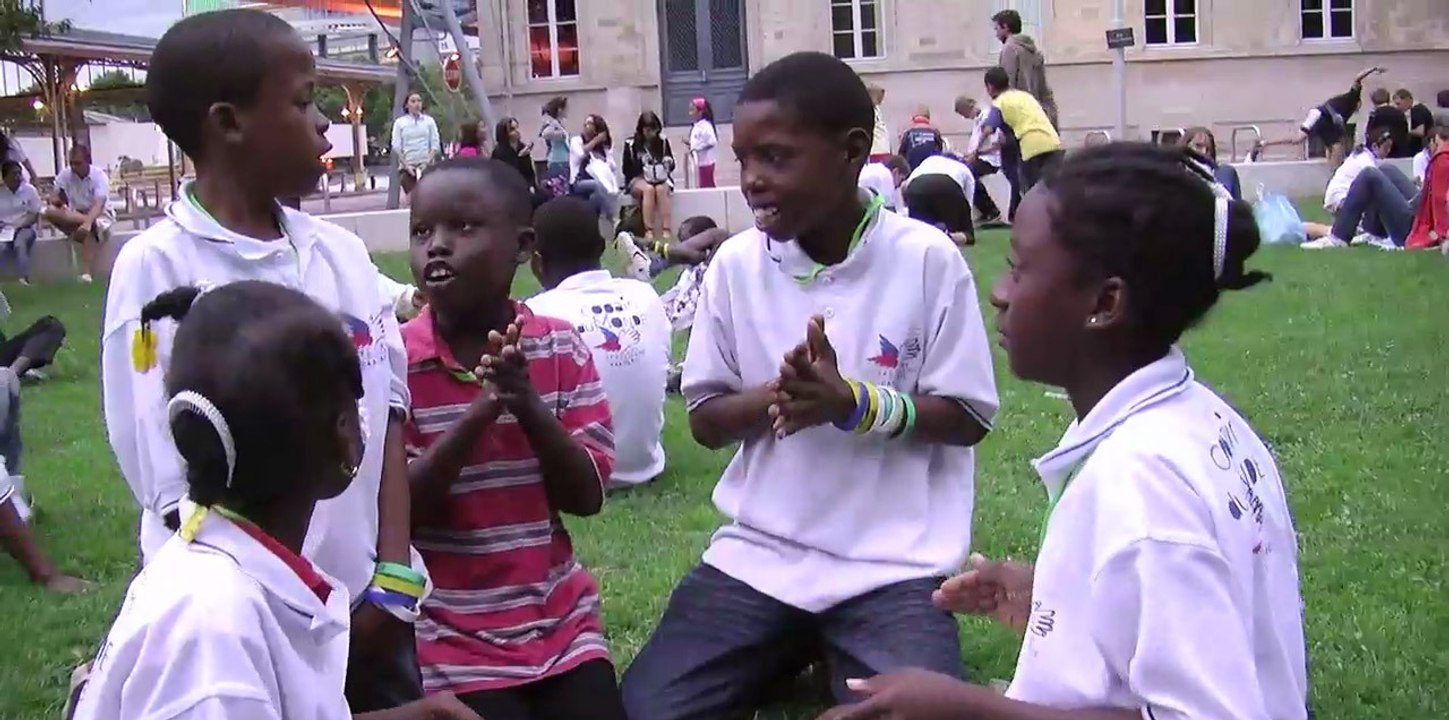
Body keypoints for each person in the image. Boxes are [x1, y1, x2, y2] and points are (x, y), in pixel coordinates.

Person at [817, 141, 1308, 720]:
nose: (998, 293)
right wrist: (1062, 595)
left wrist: (974, 712)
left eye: (1019, 270)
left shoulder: (1143, 487)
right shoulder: (1203, 417)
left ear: (1104, 303)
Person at [619, 51, 999, 720]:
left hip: (891, 567)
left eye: (777, 158)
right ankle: (793, 647)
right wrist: (780, 395)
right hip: (761, 557)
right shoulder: (736, 264)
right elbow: (705, 419)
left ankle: (818, 649)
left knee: (926, 713)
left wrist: (856, 404)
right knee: (649, 710)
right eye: (744, 159)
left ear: (852, 151)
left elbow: (966, 414)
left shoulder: (924, 260)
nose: (753, 181)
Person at [105, 9, 425, 712]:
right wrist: (283, 610)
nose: (324, 126)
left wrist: (392, 580)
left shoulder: (339, 255)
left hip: (368, 611)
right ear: (228, 124)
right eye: (304, 100)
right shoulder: (154, 270)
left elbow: (390, 413)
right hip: (249, 629)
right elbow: (170, 479)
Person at [74, 281, 477, 720]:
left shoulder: (218, 569)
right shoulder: (216, 632)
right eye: (355, 405)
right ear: (344, 435)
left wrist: (422, 716)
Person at [401, 159, 624, 720]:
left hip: (560, 626)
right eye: (422, 232)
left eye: (464, 228)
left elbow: (588, 496)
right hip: (449, 635)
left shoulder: (560, 348)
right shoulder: (395, 360)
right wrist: (482, 411)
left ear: (523, 246)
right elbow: (400, 507)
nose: (438, 248)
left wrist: (525, 403)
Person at [527, 196, 670, 489]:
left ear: (536, 261)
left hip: (579, 477)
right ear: (602, 247)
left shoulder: (535, 314)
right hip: (645, 465)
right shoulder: (644, 296)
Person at [1260, 66, 1384, 166]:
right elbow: (1357, 78)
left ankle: (1265, 142)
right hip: (1322, 115)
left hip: (1320, 116)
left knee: (1299, 139)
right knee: (1335, 147)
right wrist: (1373, 69)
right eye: (1359, 106)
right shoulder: (1352, 98)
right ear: (1358, 103)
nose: (1358, 109)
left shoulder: (1345, 115)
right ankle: (1334, 173)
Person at [983, 66, 1063, 200]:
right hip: (1053, 142)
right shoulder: (1026, 96)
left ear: (990, 87)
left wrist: (974, 151)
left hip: (1032, 149)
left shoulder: (999, 102)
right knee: (1055, 189)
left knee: (1033, 194)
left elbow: (988, 129)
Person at [42, 144, 114, 283]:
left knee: (85, 229)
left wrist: (87, 222)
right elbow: (53, 196)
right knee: (49, 211)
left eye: (78, 163)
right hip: (75, 214)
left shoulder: (99, 176)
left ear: (87, 161)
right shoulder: (65, 174)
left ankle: (86, 273)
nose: (74, 167)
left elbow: (99, 204)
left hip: (100, 215)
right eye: (71, 163)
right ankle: (85, 224)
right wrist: (56, 200)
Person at [991, 8, 1057, 127]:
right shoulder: (1034, 50)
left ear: (1005, 27)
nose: (996, 34)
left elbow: (1007, 84)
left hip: (1021, 116)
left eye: (997, 29)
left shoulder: (1009, 49)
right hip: (1039, 113)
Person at [622, 110, 677, 241]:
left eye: (653, 130)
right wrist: (640, 163)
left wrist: (668, 162)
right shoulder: (631, 144)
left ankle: (666, 229)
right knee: (649, 190)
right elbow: (626, 169)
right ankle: (649, 230)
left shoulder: (662, 142)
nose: (651, 134)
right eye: (647, 130)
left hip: (659, 177)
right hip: (639, 178)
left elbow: (671, 165)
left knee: (661, 189)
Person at [901, 152, 977, 245]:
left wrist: (907, 204)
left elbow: (904, 186)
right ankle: (948, 237)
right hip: (948, 186)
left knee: (919, 232)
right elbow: (968, 203)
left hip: (917, 186)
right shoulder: (963, 168)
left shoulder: (928, 160)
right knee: (968, 235)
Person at [955, 95, 1005, 224]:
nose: (965, 117)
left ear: (969, 106)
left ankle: (991, 210)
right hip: (979, 157)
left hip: (990, 161)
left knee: (969, 173)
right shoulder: (977, 121)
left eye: (963, 113)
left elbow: (997, 144)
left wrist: (976, 154)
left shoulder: (987, 118)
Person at [1407, 123, 1449, 251]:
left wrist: (1439, 234)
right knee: (1387, 171)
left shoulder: (1442, 160)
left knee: (1372, 175)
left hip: (1422, 224)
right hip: (1422, 211)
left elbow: (1440, 201)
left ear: (1436, 139)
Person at [568, 113, 619, 218]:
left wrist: (604, 158)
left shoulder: (603, 148)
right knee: (597, 185)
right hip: (579, 181)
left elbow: (613, 166)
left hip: (599, 180)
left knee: (603, 192)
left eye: (590, 123)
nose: (586, 125)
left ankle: (599, 218)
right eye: (585, 123)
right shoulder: (576, 141)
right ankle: (613, 216)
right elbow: (581, 154)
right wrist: (596, 140)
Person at [0, 160, 42, 284]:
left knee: (20, 243)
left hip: (25, 227)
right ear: (5, 177)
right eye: (14, 174)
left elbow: (34, 214)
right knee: (1, 247)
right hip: (5, 229)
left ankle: (24, 278)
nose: (18, 177)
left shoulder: (30, 190)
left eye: (19, 173)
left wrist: (20, 225)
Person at [391, 92, 441, 196]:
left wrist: (427, 162)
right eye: (413, 101)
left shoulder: (429, 121)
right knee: (412, 198)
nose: (417, 104)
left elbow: (435, 144)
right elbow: (396, 146)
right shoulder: (400, 123)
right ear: (407, 105)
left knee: (428, 198)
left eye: (419, 101)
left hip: (426, 165)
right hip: (408, 166)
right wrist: (406, 165)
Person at [492, 116, 544, 205]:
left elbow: (529, 171)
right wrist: (519, 157)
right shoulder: (499, 151)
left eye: (517, 128)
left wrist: (531, 186)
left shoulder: (521, 146)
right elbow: (507, 173)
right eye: (512, 129)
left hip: (525, 186)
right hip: (508, 189)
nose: (517, 131)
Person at [1182, 126, 1242, 200]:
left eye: (1208, 149)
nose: (1203, 152)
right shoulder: (1176, 175)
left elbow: (1238, 206)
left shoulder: (1226, 173)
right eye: (1198, 146)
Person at [539, 96, 572, 198]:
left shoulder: (561, 124)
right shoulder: (553, 123)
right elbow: (545, 134)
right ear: (560, 109)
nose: (568, 110)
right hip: (558, 161)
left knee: (564, 191)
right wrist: (559, 135)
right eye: (566, 108)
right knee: (559, 191)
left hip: (564, 161)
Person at [1363, 87, 1409, 159]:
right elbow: (1405, 132)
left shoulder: (1375, 115)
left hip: (1381, 153)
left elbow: (1369, 135)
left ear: (1373, 101)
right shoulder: (1400, 113)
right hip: (1399, 152)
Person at [897, 106, 946, 170]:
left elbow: (901, 155)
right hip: (931, 169)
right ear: (928, 118)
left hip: (912, 171)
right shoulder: (935, 132)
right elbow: (940, 151)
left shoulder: (908, 132)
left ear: (913, 118)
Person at [1393, 89, 1435, 158]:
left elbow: (1420, 132)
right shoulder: (1416, 109)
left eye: (1398, 104)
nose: (1397, 107)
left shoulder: (1418, 111)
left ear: (1407, 100)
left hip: (1423, 146)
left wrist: (1404, 131)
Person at [689, 97, 719, 188]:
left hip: (706, 161)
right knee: (702, 184)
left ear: (700, 112)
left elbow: (712, 141)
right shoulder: (698, 125)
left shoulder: (706, 126)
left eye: (692, 110)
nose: (690, 113)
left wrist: (698, 147)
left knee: (707, 185)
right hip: (700, 161)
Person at [868, 85, 891, 162]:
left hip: (884, 148)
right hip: (876, 150)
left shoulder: (877, 109)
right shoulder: (868, 109)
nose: (882, 99)